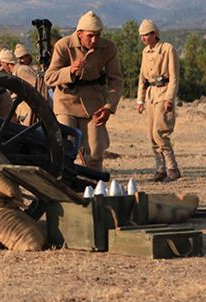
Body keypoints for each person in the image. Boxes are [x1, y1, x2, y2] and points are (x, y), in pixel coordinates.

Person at [44, 11, 123, 171]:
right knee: (65, 150)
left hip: (94, 104)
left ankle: (93, 189)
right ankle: (67, 189)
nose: (94, 40)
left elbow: (116, 80)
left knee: (95, 153)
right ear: (79, 34)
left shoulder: (108, 48)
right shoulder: (63, 45)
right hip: (66, 102)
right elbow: (49, 77)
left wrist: (109, 106)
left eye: (98, 35)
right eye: (90, 36)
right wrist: (70, 71)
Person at [135, 20, 180, 182]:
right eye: (141, 36)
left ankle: (172, 168)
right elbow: (142, 78)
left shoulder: (167, 49)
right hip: (151, 96)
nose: (143, 39)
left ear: (154, 34)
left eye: (146, 35)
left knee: (159, 132)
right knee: (151, 135)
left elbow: (174, 77)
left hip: (163, 93)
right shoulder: (145, 52)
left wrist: (170, 98)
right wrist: (140, 99)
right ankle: (160, 170)